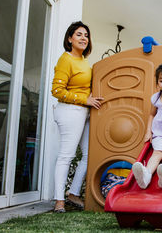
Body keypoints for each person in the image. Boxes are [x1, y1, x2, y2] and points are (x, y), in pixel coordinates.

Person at [51, 21, 103, 213]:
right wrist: (85, 100)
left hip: (84, 112)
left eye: (86, 35)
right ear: (69, 39)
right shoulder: (66, 59)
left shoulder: (83, 61)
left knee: (89, 155)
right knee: (66, 156)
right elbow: (57, 90)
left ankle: (73, 194)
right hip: (70, 111)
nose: (83, 38)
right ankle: (59, 201)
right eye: (79, 34)